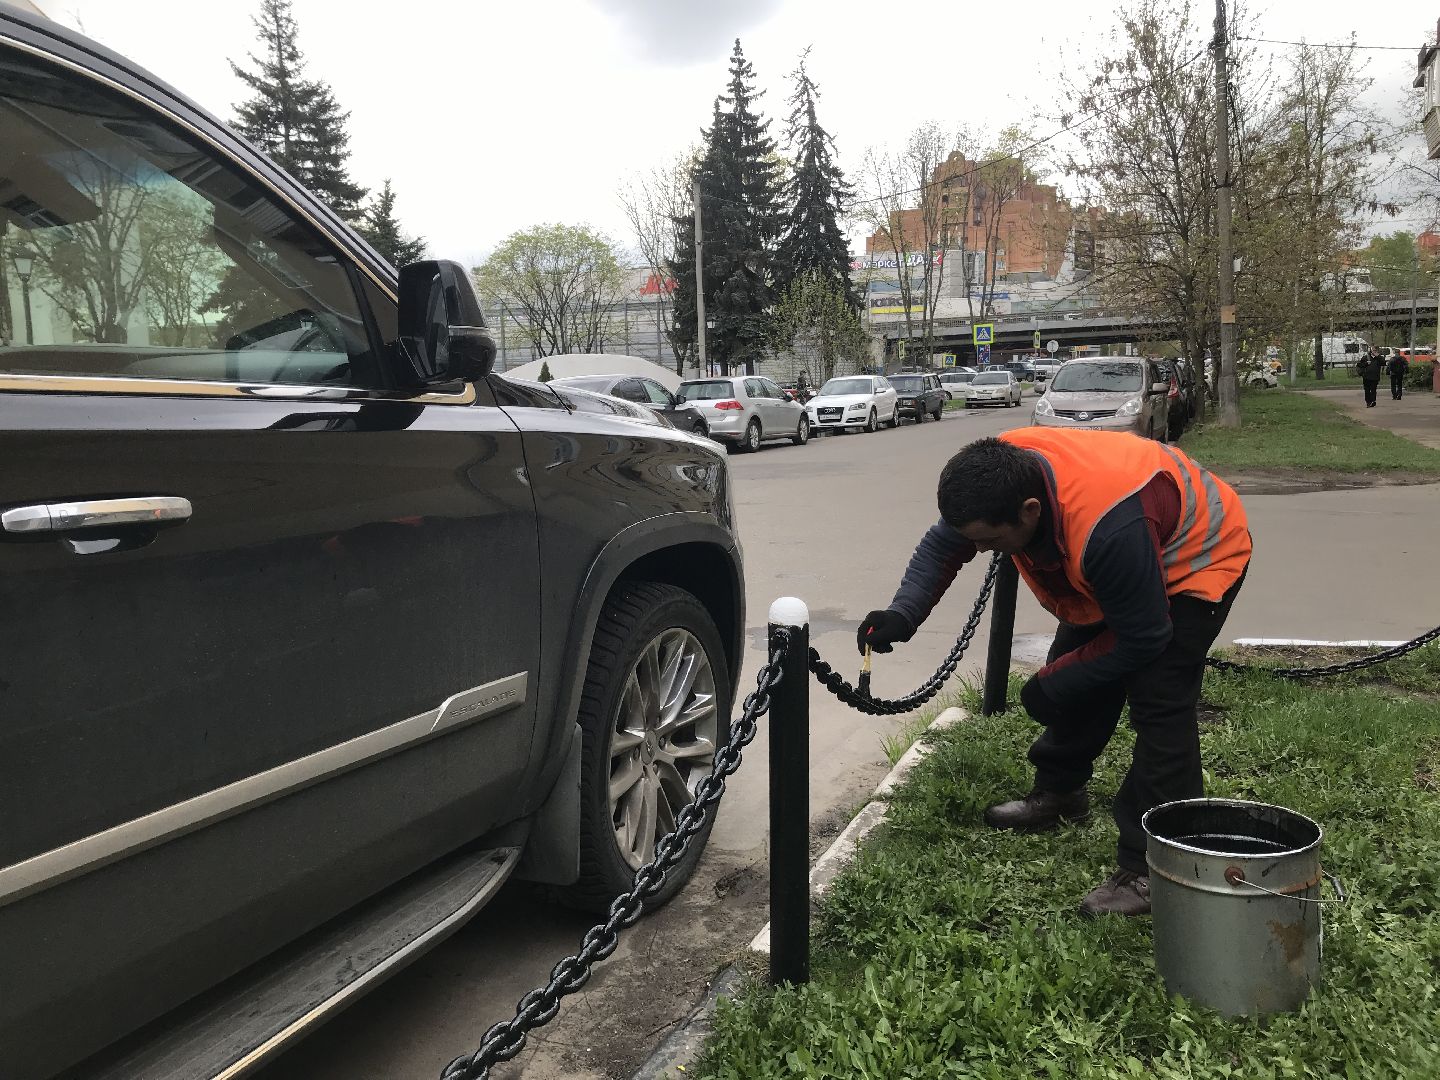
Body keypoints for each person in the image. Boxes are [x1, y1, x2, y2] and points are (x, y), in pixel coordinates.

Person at [856, 430, 1251, 917]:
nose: (980, 550)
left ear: (1029, 511)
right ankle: (1060, 794)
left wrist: (1053, 684)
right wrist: (904, 613)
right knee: (1075, 670)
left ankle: (1153, 867)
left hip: (1192, 557)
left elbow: (1143, 637)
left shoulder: (1106, 530)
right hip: (1121, 548)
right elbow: (944, 546)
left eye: (991, 541)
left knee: (1159, 701)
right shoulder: (993, 473)